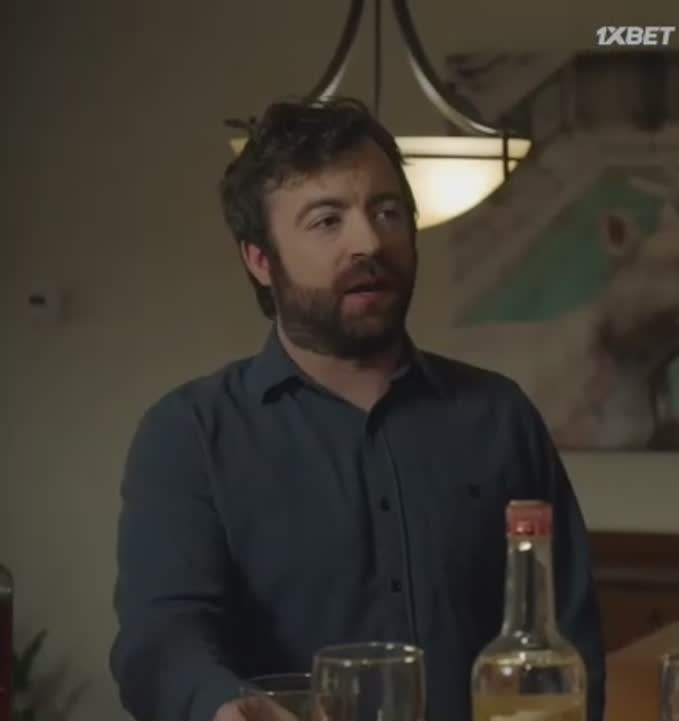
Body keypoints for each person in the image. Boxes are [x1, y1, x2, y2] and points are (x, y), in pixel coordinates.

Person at [108, 97, 606, 721]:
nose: (369, 241)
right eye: (327, 221)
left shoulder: (500, 417)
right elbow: (160, 638)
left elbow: (570, 634)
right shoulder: (190, 435)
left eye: (387, 212)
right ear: (260, 260)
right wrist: (223, 707)